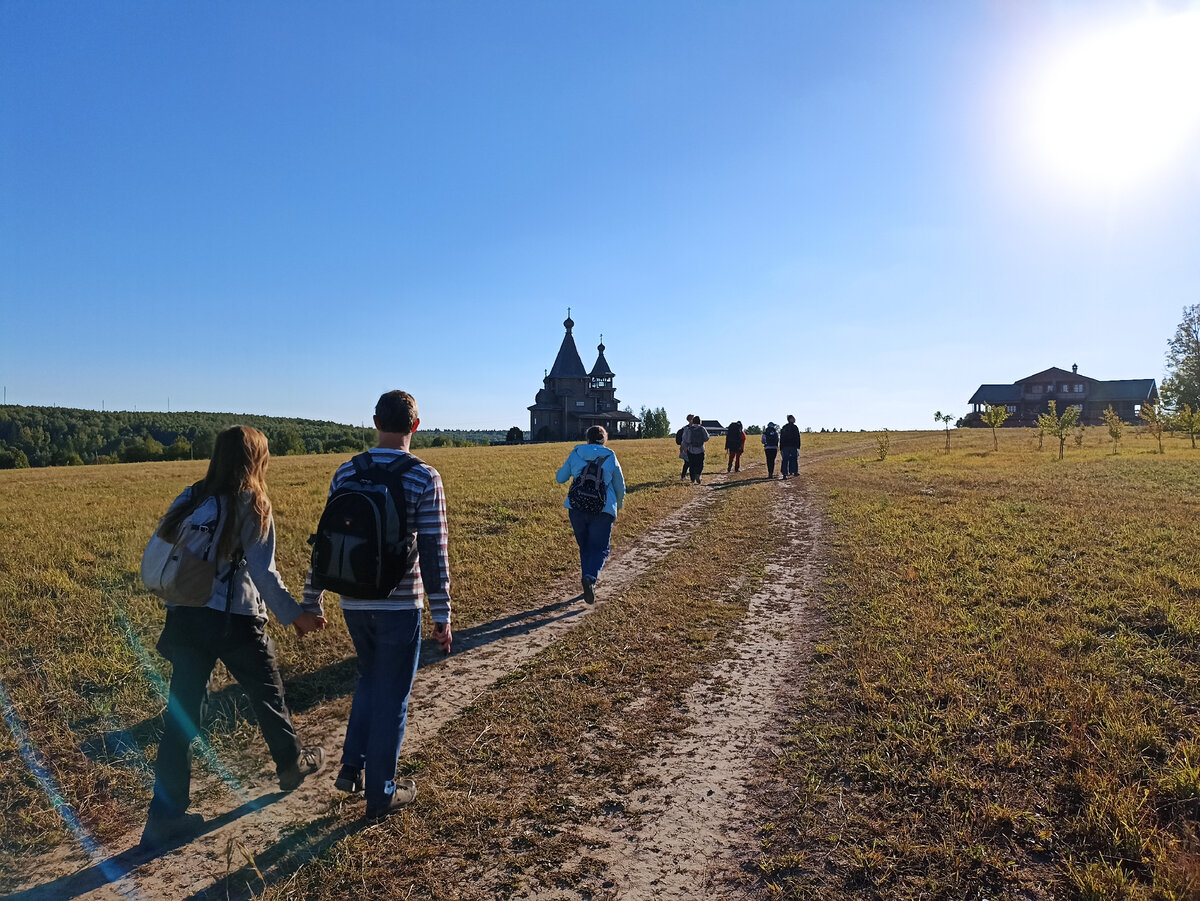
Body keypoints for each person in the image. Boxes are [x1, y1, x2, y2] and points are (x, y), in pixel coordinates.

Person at [142, 426, 327, 849]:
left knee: (181, 718)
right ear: (254, 460)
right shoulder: (253, 502)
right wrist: (295, 616)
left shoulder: (191, 497)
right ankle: (291, 763)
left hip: (185, 619)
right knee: (267, 693)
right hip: (233, 619)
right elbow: (263, 572)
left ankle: (164, 817)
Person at [303, 390, 453, 821]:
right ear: (416, 426)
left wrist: (311, 599)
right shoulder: (425, 476)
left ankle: (353, 767)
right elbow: (433, 550)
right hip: (400, 604)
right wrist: (441, 615)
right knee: (395, 697)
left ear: (375, 421)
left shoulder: (347, 471)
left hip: (352, 599)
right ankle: (382, 792)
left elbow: (326, 541)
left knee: (369, 678)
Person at [556, 425, 626, 604]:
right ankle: (590, 578)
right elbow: (620, 486)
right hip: (603, 510)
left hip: (577, 507)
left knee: (585, 546)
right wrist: (618, 506)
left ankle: (587, 579)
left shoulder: (576, 453)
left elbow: (560, 478)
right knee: (601, 548)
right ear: (604, 439)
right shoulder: (610, 456)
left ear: (587, 438)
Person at [681, 415, 710, 484]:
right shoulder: (702, 429)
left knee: (692, 464)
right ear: (700, 421)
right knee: (700, 464)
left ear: (693, 421)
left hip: (691, 450)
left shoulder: (689, 429)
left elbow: (686, 440)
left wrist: (684, 447)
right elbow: (707, 438)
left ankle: (692, 478)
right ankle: (698, 474)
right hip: (700, 449)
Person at [779, 414, 802, 480]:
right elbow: (798, 437)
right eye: (793, 418)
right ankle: (794, 471)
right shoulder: (794, 427)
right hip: (792, 446)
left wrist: (781, 447)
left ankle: (785, 474)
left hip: (786, 446)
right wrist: (798, 445)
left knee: (785, 460)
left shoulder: (784, 427)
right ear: (790, 419)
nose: (794, 419)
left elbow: (781, 438)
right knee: (794, 458)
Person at [675, 415, 694, 480]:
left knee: (687, 463)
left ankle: (684, 476)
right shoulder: (687, 429)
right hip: (688, 448)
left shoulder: (684, 428)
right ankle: (688, 476)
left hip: (684, 447)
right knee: (688, 463)